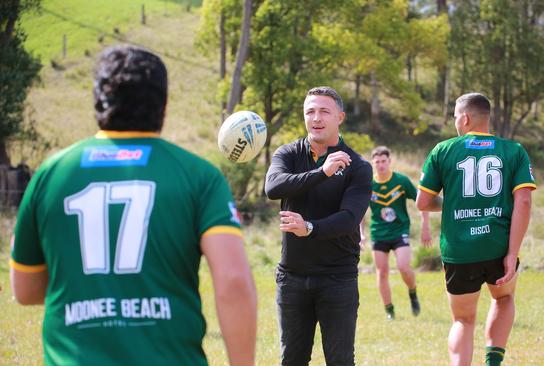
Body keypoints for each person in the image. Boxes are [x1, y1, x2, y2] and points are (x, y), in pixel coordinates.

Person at [10, 45, 257, 366]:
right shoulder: (199, 176)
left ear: (98, 100)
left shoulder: (51, 174)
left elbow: (26, 291)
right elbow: (234, 282)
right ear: (163, 105)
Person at [416, 93, 535, 366]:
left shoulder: (443, 150)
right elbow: (524, 202)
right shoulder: (514, 150)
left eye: (456, 116)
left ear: (465, 118)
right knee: (503, 299)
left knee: (462, 319)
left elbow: (423, 202)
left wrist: (452, 202)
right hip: (498, 245)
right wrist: (512, 253)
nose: (455, 121)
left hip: (459, 250)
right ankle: (493, 362)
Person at [265, 86, 372, 365]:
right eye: (310, 111)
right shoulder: (289, 153)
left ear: (340, 117)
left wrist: (309, 228)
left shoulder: (358, 166)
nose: (316, 118)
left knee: (339, 360)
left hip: (337, 279)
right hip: (292, 278)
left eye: (324, 111)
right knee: (292, 359)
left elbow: (349, 219)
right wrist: (322, 173)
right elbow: (273, 187)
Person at [359, 146, 431, 320]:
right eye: (377, 162)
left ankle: (412, 293)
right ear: (373, 163)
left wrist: (425, 226)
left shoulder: (401, 181)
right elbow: (359, 211)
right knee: (381, 272)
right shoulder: (368, 184)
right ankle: (389, 311)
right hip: (378, 233)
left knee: (403, 267)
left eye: (384, 161)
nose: (380, 165)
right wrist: (360, 234)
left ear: (389, 162)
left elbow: (422, 201)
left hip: (400, 231)